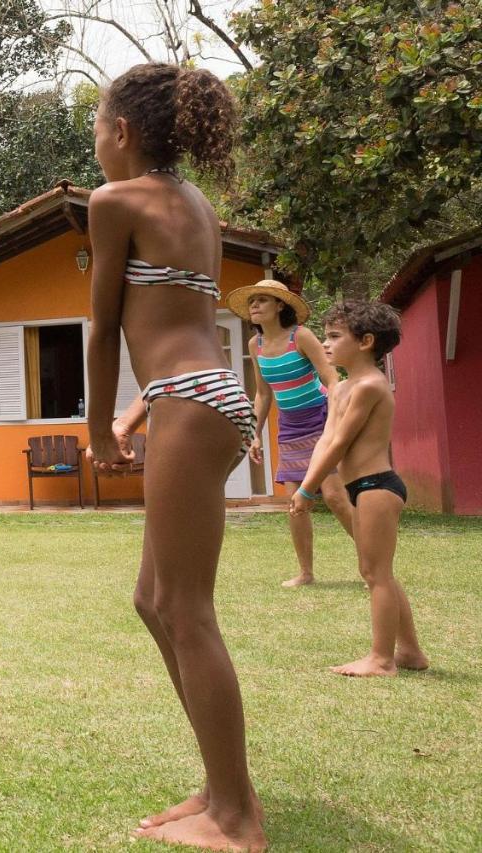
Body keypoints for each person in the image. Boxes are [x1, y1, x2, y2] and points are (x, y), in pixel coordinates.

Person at [84, 64, 265, 850]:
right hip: (199, 396)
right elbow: (178, 321)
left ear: (121, 131)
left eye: (96, 126)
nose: (94, 143)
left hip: (190, 405)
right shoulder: (195, 204)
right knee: (154, 600)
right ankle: (220, 786)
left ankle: (238, 817)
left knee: (186, 609)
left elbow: (101, 328)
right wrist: (136, 409)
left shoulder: (114, 201)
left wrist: (97, 426)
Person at [290, 302, 428, 677]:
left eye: (335, 336)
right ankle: (411, 652)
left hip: (377, 486)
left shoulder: (369, 386)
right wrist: (307, 483)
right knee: (377, 571)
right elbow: (325, 440)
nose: (326, 343)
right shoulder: (340, 388)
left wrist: (306, 490)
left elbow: (340, 445)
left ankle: (382, 660)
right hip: (359, 487)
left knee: (375, 574)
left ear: (366, 341)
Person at [229, 280, 355, 587]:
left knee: (336, 497)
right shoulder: (254, 345)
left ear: (280, 306)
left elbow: (331, 377)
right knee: (296, 504)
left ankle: (374, 564)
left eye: (262, 300)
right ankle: (306, 573)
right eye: (252, 302)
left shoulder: (301, 336)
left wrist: (334, 423)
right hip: (290, 426)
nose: (254, 306)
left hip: (321, 416)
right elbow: (262, 394)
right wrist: (254, 432)